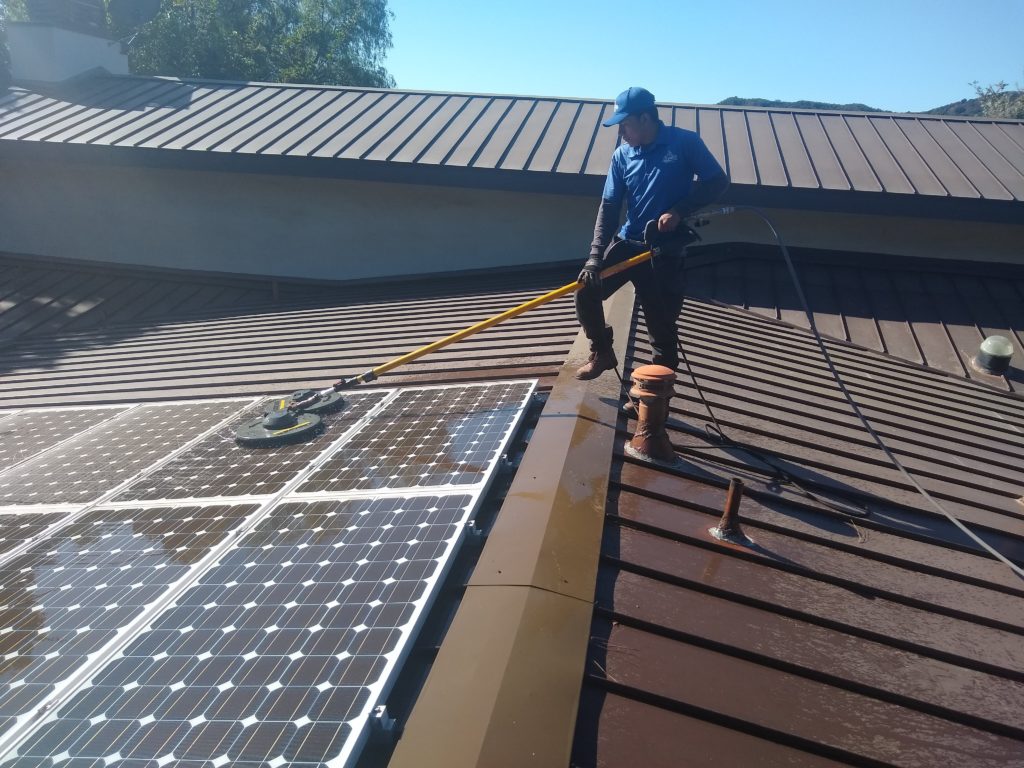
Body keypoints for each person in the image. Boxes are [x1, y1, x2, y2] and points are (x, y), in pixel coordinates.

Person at [574, 86, 730, 380]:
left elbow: (716, 181)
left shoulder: (684, 143)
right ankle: (603, 352)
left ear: (645, 119)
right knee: (586, 291)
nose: (621, 132)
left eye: (626, 124)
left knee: (662, 325)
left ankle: (654, 402)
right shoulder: (622, 155)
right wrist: (595, 257)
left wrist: (680, 210)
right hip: (628, 243)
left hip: (664, 250)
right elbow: (609, 206)